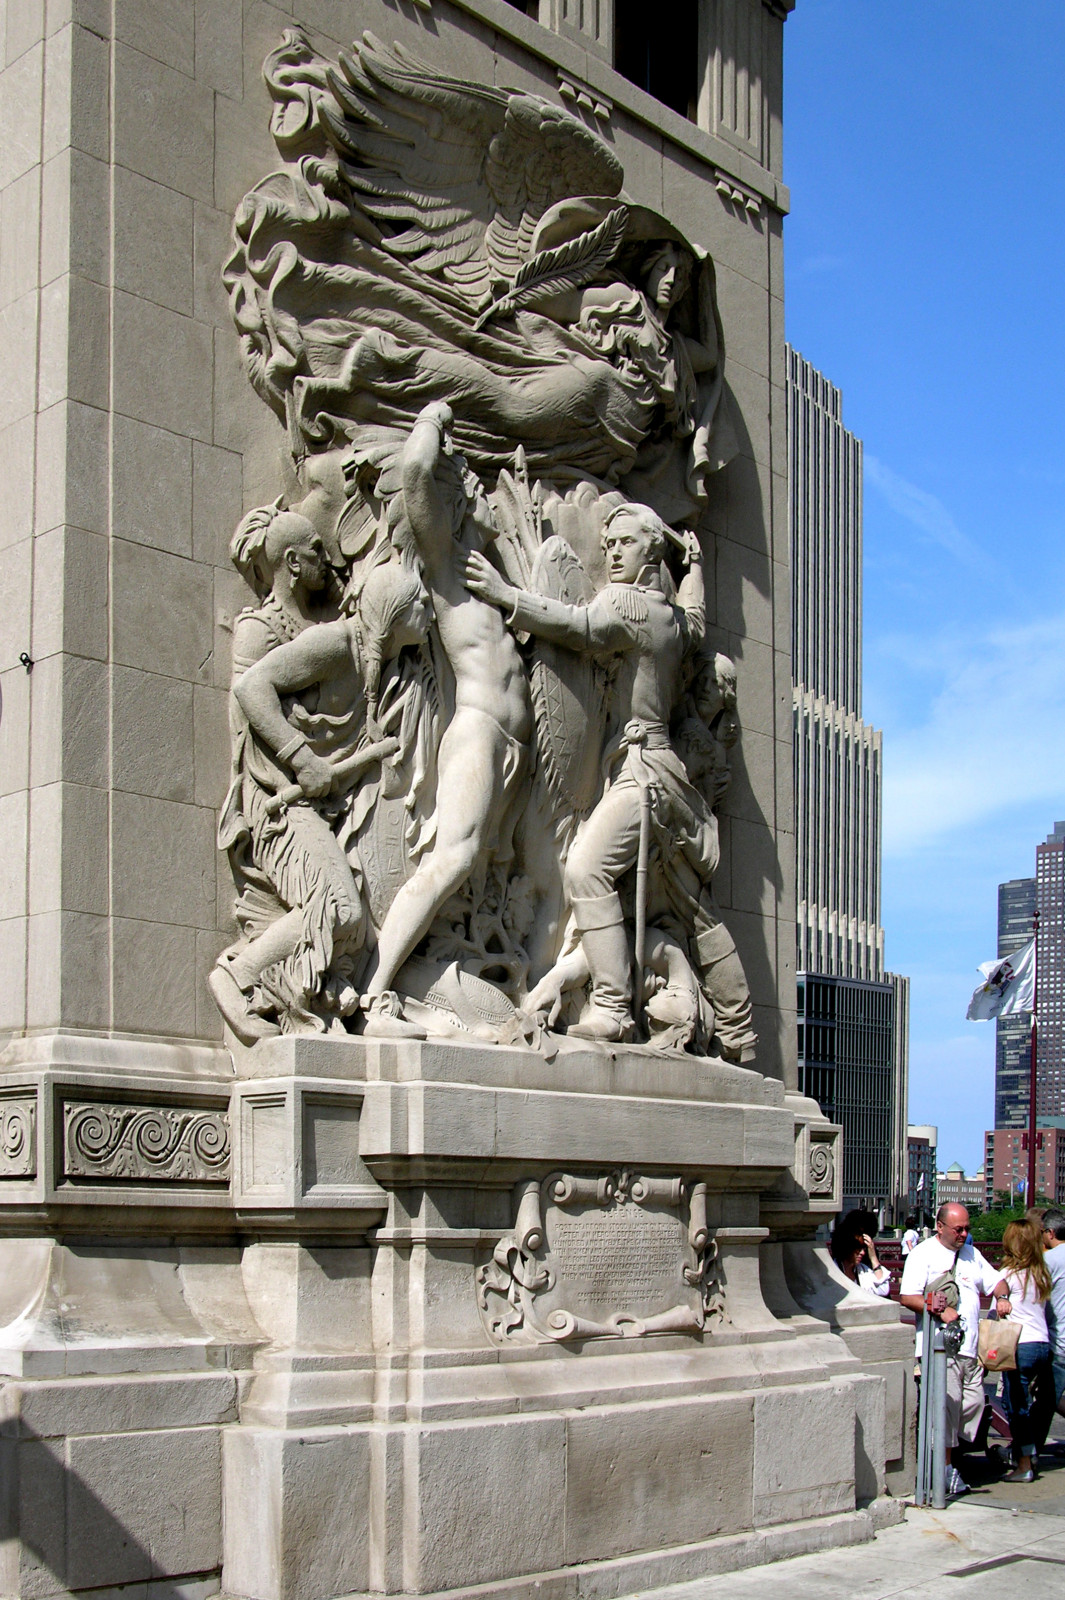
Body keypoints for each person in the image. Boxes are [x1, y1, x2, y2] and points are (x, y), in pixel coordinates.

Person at [465, 499, 706, 1042]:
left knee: (583, 870)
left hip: (640, 771)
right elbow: (697, 622)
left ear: (652, 548)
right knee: (602, 884)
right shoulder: (670, 615)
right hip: (658, 772)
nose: (613, 553)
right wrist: (695, 570)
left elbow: (579, 626)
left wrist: (506, 596)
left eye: (626, 543)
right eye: (610, 545)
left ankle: (614, 1005)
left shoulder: (630, 604)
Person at [360, 402, 532, 1035]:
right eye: (472, 490)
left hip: (516, 751)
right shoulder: (445, 563)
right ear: (456, 503)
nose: (485, 499)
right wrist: (433, 418)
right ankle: (372, 991)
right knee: (450, 862)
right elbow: (414, 475)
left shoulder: (491, 576)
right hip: (479, 733)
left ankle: (445, 982)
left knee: (479, 879)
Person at [212, 558, 430, 1040]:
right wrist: (301, 758)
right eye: (419, 604)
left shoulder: (380, 667)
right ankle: (239, 976)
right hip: (275, 801)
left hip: (317, 808)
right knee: (341, 910)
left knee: (351, 922)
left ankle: (291, 990)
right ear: (394, 611)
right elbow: (253, 687)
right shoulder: (336, 643)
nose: (429, 614)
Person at [898, 1202, 1002, 1498]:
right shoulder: (923, 1254)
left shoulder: (971, 1253)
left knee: (972, 1406)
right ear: (940, 1226)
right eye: (959, 1229)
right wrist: (937, 1309)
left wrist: (1003, 1294)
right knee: (946, 1405)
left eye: (967, 1228)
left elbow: (995, 1280)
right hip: (940, 1347)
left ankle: (944, 1459)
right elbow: (908, 1296)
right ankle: (943, 1470)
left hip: (970, 1349)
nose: (964, 1233)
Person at [991, 1219, 1055, 1482]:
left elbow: (999, 1299)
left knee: (1016, 1407)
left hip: (1020, 1344)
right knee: (1029, 1405)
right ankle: (1030, 1453)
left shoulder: (1008, 1275)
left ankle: (1024, 1464)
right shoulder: (1040, 1274)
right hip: (1042, 1344)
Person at [1042, 1207, 1065, 1417]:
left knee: (1046, 1403)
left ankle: (1026, 1449)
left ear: (1050, 1233)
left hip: (1058, 1341)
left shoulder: (1050, 1260)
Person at [830, 1220, 890, 1298]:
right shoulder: (833, 1269)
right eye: (858, 1249)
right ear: (846, 1247)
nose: (862, 1253)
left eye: (864, 1249)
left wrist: (873, 1257)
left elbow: (883, 1290)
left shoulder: (862, 1270)